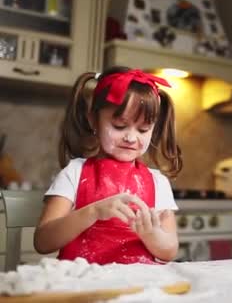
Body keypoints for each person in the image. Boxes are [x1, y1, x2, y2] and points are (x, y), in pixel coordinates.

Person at [34, 66, 183, 265]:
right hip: (81, 283)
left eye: (143, 129)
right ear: (93, 120)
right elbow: (43, 242)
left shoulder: (158, 182)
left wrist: (152, 235)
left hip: (137, 286)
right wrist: (93, 212)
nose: (131, 137)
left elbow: (170, 251)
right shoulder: (75, 173)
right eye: (119, 126)